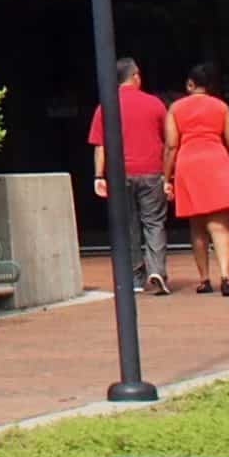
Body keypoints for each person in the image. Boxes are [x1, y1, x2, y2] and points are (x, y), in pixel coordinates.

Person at [163, 61, 229, 295]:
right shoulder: (221, 107)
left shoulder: (176, 109)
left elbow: (172, 145)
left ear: (190, 84)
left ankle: (204, 279)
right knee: (220, 226)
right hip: (216, 161)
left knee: (197, 226)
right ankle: (225, 276)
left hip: (189, 164)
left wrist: (167, 177)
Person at [90, 56, 173, 296]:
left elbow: (100, 145)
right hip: (151, 171)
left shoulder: (106, 105)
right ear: (135, 76)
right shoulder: (155, 103)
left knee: (128, 225)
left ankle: (136, 276)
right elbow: (168, 141)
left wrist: (98, 176)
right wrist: (168, 175)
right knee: (154, 222)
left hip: (119, 174)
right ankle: (157, 269)